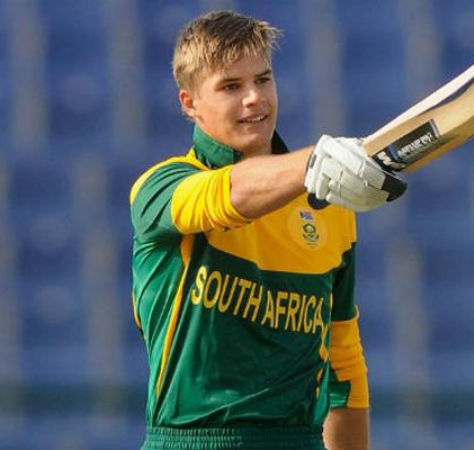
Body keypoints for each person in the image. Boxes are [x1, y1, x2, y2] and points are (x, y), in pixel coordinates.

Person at [129, 10, 406, 450]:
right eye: (231, 87)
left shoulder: (328, 205)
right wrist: (315, 162)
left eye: (263, 79)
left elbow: (343, 363)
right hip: (191, 441)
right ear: (190, 103)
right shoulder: (160, 188)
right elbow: (228, 193)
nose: (255, 98)